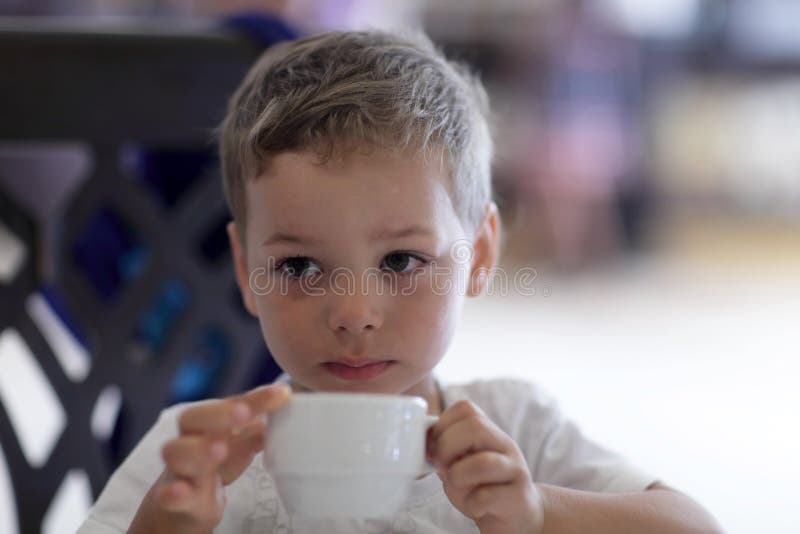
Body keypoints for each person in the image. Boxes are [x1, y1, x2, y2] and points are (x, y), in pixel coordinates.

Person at [78, 30, 722, 534]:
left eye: (401, 261)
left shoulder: (518, 431)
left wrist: (539, 513)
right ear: (247, 273)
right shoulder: (196, 456)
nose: (354, 312)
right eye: (299, 267)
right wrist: (163, 524)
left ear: (478, 254)